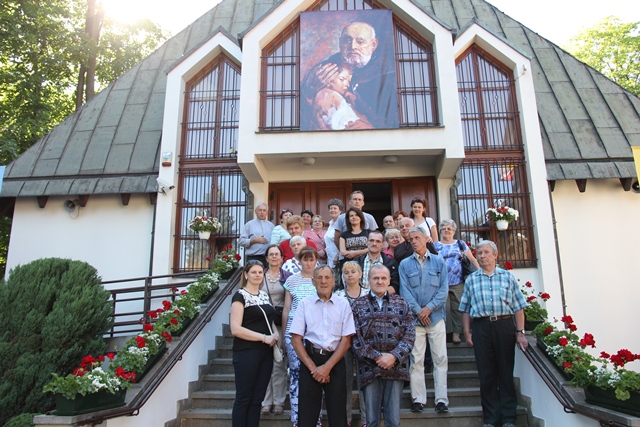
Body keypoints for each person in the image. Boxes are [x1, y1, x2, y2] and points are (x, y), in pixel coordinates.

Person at [459, 241, 528, 427]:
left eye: (486, 252)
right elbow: (465, 309)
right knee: (486, 374)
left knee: (505, 372)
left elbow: (518, 307)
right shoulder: (472, 279)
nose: (482, 256)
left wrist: (520, 333)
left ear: (495, 255)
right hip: (481, 327)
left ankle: (508, 418)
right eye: (479, 253)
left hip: (504, 326)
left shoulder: (507, 277)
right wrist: (467, 332)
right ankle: (490, 419)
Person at [290, 265, 356, 427]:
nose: (323, 281)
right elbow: (296, 339)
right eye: (319, 278)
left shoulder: (343, 304)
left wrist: (327, 367)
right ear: (313, 282)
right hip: (310, 361)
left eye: (327, 278)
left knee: (338, 415)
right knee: (307, 416)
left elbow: (346, 340)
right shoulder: (305, 304)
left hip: (335, 361)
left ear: (334, 281)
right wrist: (314, 369)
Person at [351, 265, 416, 427]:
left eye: (383, 278)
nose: (379, 281)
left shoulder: (402, 303)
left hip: (396, 368)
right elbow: (355, 337)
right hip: (369, 369)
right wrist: (377, 357)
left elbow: (410, 334)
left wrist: (393, 356)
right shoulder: (357, 305)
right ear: (368, 280)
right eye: (375, 278)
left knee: (393, 421)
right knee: (371, 421)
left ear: (389, 281)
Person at [302, 21, 399, 129]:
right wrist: (310, 89)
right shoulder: (325, 68)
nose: (353, 46)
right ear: (340, 43)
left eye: (360, 42)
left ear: (373, 44)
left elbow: (390, 121)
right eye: (347, 40)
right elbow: (301, 109)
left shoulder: (387, 73)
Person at [399, 227, 449, 414]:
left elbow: (443, 290)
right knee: (416, 360)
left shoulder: (439, 262)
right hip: (415, 320)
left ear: (426, 239)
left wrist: (428, 309)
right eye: (411, 239)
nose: (413, 241)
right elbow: (405, 291)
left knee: (440, 359)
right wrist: (419, 312)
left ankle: (441, 400)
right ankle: (418, 399)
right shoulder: (405, 264)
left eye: (417, 238)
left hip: (436, 318)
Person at [230, 261, 279, 427]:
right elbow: (235, 329)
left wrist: (274, 333)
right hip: (246, 352)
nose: (257, 275)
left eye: (260, 272)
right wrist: (263, 338)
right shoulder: (240, 296)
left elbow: (269, 320)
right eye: (253, 272)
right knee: (244, 398)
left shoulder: (264, 295)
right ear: (246, 275)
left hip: (265, 353)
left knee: (258, 398)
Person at [281, 247, 322, 427]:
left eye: (312, 260)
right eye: (305, 260)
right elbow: (287, 309)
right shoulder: (291, 280)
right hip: (294, 332)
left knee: (315, 374)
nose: (309, 263)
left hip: (315, 334)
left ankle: (316, 419)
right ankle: (297, 419)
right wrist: (284, 335)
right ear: (300, 261)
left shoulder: (320, 279)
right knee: (296, 375)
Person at [333, 261, 368, 427]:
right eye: (346, 272)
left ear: (360, 274)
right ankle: (345, 418)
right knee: (344, 381)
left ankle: (366, 418)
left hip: (364, 343)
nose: (350, 275)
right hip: (344, 341)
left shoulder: (368, 294)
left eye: (353, 272)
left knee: (365, 381)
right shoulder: (338, 295)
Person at [433, 220, 479, 344]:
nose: (446, 230)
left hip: (458, 282)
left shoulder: (460, 244)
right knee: (443, 308)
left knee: (458, 307)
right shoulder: (435, 245)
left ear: (454, 231)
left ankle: (456, 333)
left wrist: (480, 274)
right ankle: (444, 333)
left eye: (449, 229)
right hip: (440, 283)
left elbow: (472, 260)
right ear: (440, 231)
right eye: (443, 228)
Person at [260, 245, 292, 416]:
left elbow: (289, 304)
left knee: (279, 363)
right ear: (266, 258)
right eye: (271, 254)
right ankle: (266, 401)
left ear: (281, 257)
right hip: (261, 324)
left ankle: (279, 400)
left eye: (276, 254)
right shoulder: (259, 275)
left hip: (279, 324)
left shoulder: (287, 277)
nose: (274, 257)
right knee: (263, 364)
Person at [312, 65, 373, 130]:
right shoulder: (328, 94)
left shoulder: (340, 96)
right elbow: (346, 123)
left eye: (349, 81)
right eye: (342, 79)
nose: (347, 85)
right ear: (329, 80)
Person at [324, 198, 344, 271]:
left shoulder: (342, 223)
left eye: (335, 208)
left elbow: (343, 242)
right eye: (331, 208)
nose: (332, 210)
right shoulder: (330, 224)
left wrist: (338, 255)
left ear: (340, 210)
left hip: (338, 259)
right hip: (330, 259)